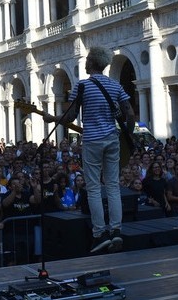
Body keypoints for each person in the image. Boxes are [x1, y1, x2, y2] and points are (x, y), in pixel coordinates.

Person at [42, 46, 135, 253]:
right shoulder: (115, 85)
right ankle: (117, 231)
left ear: (92, 62)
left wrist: (51, 118)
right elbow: (130, 113)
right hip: (113, 139)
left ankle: (99, 233)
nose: (84, 63)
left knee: (93, 188)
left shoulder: (82, 86)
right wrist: (126, 136)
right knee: (112, 186)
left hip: (92, 140)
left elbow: (70, 118)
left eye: (87, 60)